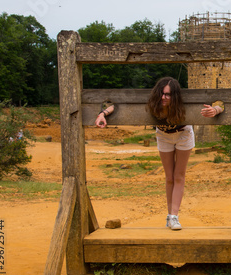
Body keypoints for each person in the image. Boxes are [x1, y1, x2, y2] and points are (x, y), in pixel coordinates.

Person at [95, 77, 223, 230]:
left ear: (175, 96)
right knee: (169, 177)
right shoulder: (153, 103)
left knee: (179, 176)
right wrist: (103, 113)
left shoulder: (182, 104)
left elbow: (221, 103)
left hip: (184, 134)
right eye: (162, 93)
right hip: (163, 135)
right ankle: (170, 216)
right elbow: (117, 105)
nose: (164, 97)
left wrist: (215, 110)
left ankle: (174, 216)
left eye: (168, 94)